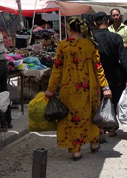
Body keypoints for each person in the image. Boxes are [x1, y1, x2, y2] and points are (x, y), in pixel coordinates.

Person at [44, 18, 110, 160]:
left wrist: (51, 89)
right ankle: (93, 143)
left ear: (69, 30)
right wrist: (105, 86)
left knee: (72, 117)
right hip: (90, 86)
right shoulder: (90, 45)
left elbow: (57, 70)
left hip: (69, 88)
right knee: (91, 114)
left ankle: (76, 150)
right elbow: (98, 67)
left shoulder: (63, 46)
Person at [93, 12, 127, 138]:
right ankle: (111, 129)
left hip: (97, 74)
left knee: (98, 101)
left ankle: (99, 127)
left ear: (95, 24)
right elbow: (123, 57)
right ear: (108, 22)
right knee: (113, 101)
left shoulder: (91, 38)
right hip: (115, 73)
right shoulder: (116, 37)